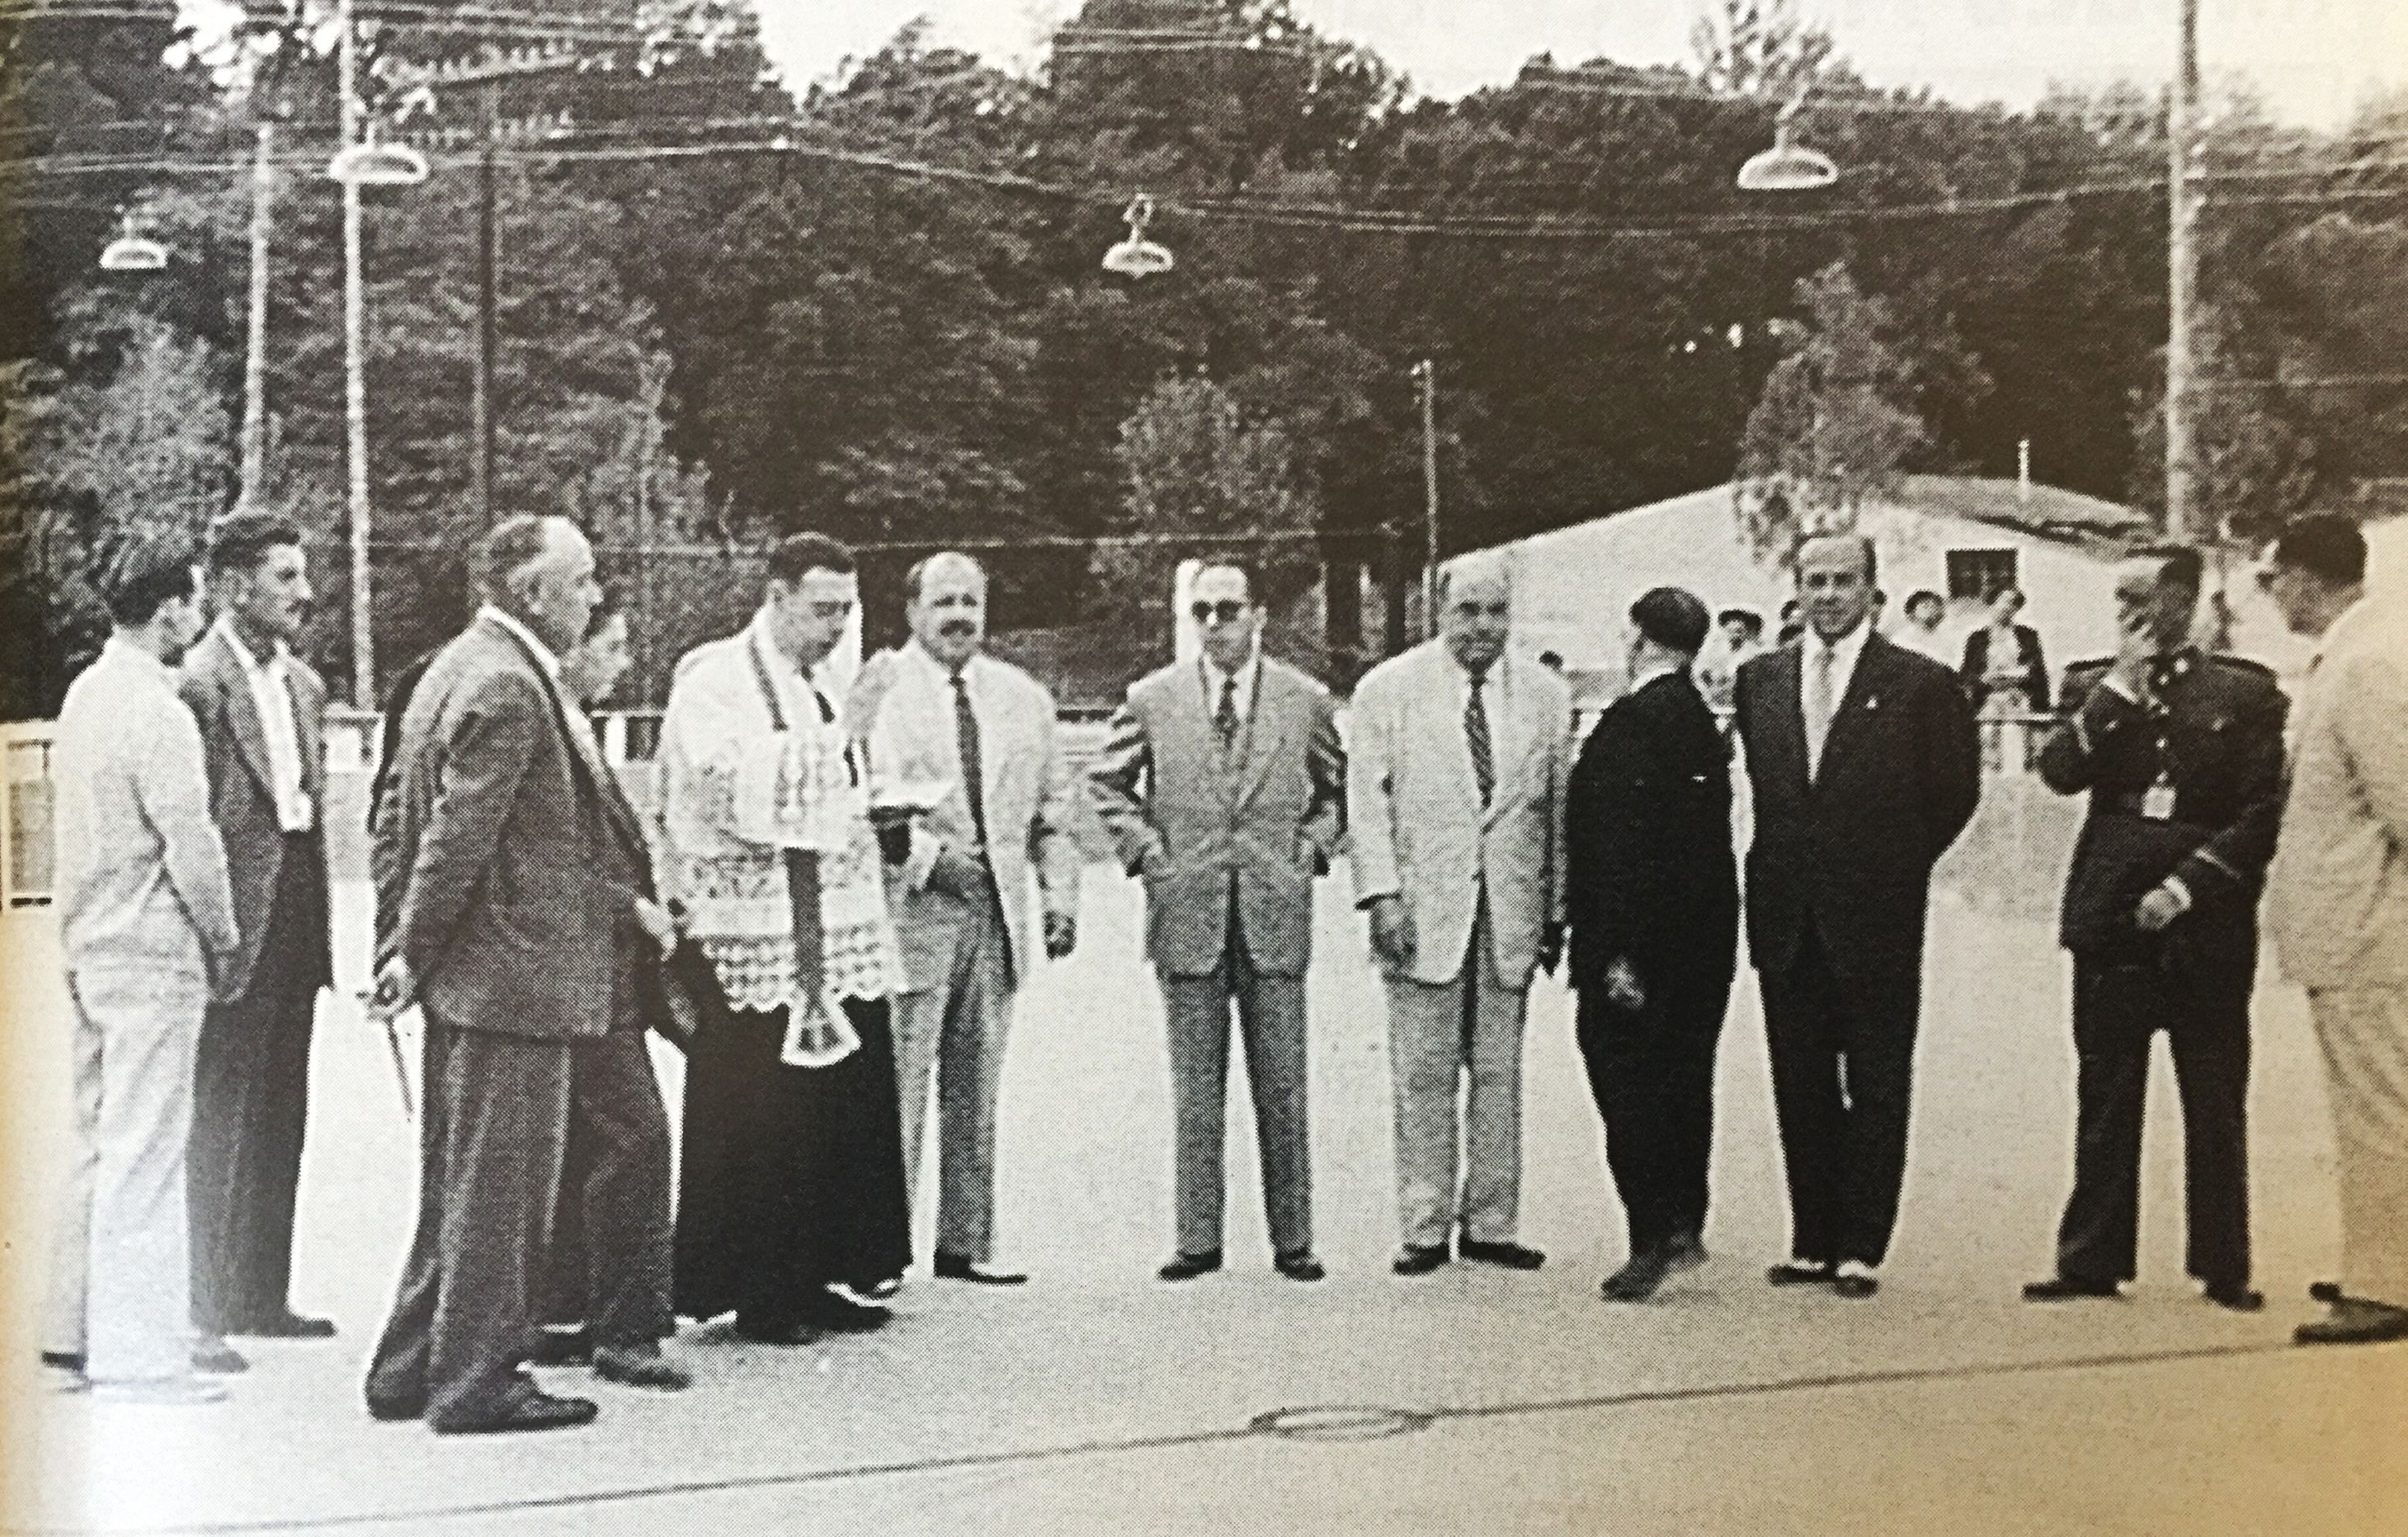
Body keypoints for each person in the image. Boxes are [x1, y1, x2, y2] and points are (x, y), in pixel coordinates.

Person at [365, 514, 648, 1434]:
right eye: (583, 581)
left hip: (479, 981)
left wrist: (409, 954)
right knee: (500, 1194)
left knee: (459, 1181)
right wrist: (408, 952)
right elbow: (453, 842)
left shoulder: (460, 664)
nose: (596, 595)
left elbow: (399, 824)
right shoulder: (509, 684)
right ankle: (479, 1382)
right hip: (513, 985)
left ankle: (409, 1368)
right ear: (533, 594)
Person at [658, 533, 911, 1342]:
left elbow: (836, 786)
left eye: (848, 610)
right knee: (760, 1114)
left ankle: (821, 1272)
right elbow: (726, 787)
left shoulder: (824, 681)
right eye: (822, 609)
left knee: (832, 1110)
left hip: (834, 929)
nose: (838, 627)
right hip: (754, 930)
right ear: (775, 598)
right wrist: (841, 742)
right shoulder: (714, 677)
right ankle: (761, 1287)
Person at [2021, 546, 2285, 1315]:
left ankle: (2223, 1261)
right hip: (2110, 915)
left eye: (2141, 594)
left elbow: (2260, 811)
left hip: (2202, 916)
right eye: (2118, 596)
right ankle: (2090, 1258)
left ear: (2183, 597)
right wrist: (2117, 690)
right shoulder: (2089, 685)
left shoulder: (2244, 692)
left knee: (2212, 1088)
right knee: (2105, 1087)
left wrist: (2188, 885)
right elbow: (2060, 772)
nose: (2127, 609)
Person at [1733, 533, 1981, 1299]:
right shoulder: (1760, 679)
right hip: (1786, 914)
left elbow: (1952, 793)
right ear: (1796, 589)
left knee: (1874, 1079)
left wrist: (1891, 864)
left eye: (1843, 581)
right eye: (1814, 581)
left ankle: (1860, 1243)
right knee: (1799, 1078)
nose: (1828, 595)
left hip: (1875, 913)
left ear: (1872, 591)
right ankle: (1811, 1237)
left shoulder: (1919, 684)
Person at [1089, 560, 1347, 1283]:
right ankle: (1197, 1239)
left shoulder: (1303, 699)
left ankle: (1293, 1240)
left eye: (1228, 609)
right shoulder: (1151, 698)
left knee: (1283, 1084)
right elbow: (1107, 786)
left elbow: (1339, 790)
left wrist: (1309, 850)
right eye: (1201, 611)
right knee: (1196, 1089)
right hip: (1188, 912)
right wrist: (1151, 855)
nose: (1213, 624)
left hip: (1273, 909)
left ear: (1258, 614)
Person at [42, 540, 241, 1405]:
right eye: (193, 605)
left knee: (100, 1141)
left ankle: (72, 1330)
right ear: (171, 610)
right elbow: (189, 840)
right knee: (150, 1152)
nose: (196, 620)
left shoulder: (86, 695)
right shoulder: (160, 711)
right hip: (153, 946)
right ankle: (141, 1356)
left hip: (89, 940)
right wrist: (225, 936)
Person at [1350, 551, 1574, 1275]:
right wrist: (1381, 895)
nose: (1482, 626)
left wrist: (1554, 908)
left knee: (1499, 1074)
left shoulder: (1545, 694)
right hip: (1420, 910)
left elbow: (1555, 810)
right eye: (1466, 610)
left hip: (1508, 911)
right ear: (1435, 611)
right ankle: (1423, 1225)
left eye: (1495, 610)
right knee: (1423, 1075)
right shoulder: (1388, 690)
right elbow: (1367, 804)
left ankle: (1491, 1223)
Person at [863, 552, 1081, 1287]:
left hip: (997, 920)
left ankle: (965, 1244)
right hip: (914, 913)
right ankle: (881, 1249)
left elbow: (1054, 813)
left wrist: (1058, 900)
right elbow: (871, 802)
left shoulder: (1023, 697)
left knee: (977, 1087)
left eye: (971, 602)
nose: (958, 616)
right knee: (899, 1086)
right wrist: (930, 861)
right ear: (912, 611)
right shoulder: (882, 690)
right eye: (943, 602)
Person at [177, 514, 334, 1360]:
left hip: (299, 912)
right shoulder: (198, 685)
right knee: (221, 1115)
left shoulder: (303, 686)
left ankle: (261, 1296)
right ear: (235, 585)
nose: (303, 594)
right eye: (284, 577)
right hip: (235, 924)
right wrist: (210, 931)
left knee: (283, 1108)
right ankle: (204, 1307)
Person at [530, 597, 690, 1391]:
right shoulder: (553, 727)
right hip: (583, 971)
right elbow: (540, 862)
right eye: (614, 645)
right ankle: (626, 1331)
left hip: (597, 968)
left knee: (594, 1141)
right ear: (576, 650)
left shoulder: (574, 723)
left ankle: (571, 1312)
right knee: (637, 1136)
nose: (623, 661)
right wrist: (630, 904)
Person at [1566, 587, 1739, 1303]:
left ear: (1635, 636)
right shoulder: (1698, 718)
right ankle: (1682, 1221)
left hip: (1637, 944)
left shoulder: (1632, 722)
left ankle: (1648, 1234)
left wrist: (1618, 955)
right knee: (1683, 1077)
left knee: (1627, 1082)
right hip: (1701, 939)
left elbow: (1623, 851)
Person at [2261, 516, 2408, 1344]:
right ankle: (2382, 1263)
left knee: (2378, 1113)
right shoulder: (2353, 656)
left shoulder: (2365, 665)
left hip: (2370, 931)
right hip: (2354, 929)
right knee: (2378, 1108)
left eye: (2272, 578)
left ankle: (2386, 1284)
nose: (2272, 595)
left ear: (2308, 578)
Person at [1960, 587, 2050, 714]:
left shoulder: (2028, 636)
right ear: (1992, 603)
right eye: (2003, 601)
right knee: (1987, 730)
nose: (2007, 607)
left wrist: (2024, 675)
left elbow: (2038, 671)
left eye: (2013, 603)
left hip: (2019, 698)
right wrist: (1982, 679)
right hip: (1986, 699)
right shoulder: (1977, 639)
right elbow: (1967, 674)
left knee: (2014, 730)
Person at [1699, 608, 1763, 713]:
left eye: (1739, 631)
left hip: (1742, 707)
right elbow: (1701, 676)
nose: (1735, 635)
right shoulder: (1713, 652)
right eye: (1731, 631)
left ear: (1745, 631)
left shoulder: (1752, 654)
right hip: (1715, 706)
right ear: (1725, 630)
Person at [1895, 589, 1950, 663]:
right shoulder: (1902, 640)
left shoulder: (1947, 639)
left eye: (1936, 606)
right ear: (1912, 612)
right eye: (1926, 606)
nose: (1933, 610)